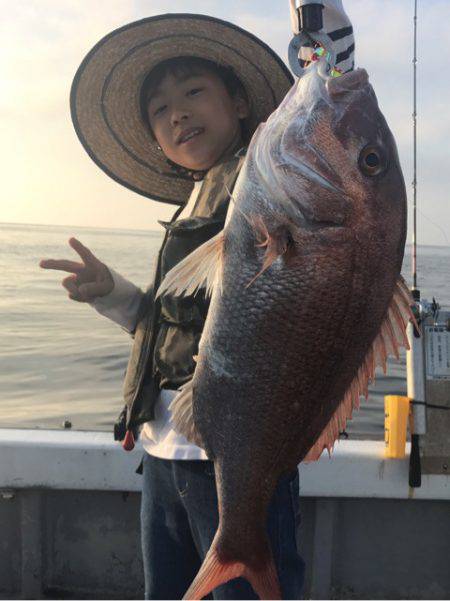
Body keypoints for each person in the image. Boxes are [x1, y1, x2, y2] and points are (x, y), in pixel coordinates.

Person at [40, 6, 354, 600]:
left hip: (237, 458)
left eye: (193, 92)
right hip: (161, 457)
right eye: (160, 109)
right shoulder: (191, 208)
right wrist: (113, 295)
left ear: (240, 106)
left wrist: (326, 42)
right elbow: (170, 330)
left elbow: (329, 113)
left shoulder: (269, 180)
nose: (177, 111)